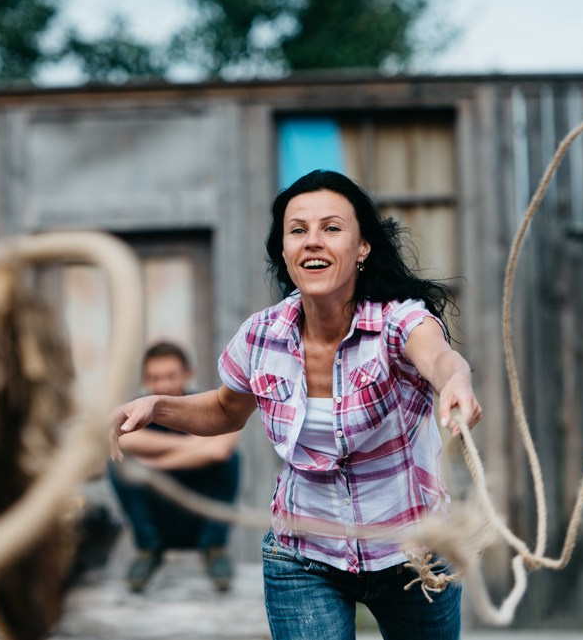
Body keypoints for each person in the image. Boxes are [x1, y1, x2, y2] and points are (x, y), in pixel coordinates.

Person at [111, 170, 482, 640]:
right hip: (303, 556)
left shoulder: (397, 320)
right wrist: (155, 406)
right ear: (284, 251)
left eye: (331, 228)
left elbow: (439, 357)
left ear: (362, 247)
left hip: (413, 554)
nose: (312, 241)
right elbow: (226, 410)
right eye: (298, 230)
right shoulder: (262, 335)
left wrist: (457, 381)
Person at [110, 341, 242, 593]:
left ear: (187, 374)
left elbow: (220, 449)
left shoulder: (209, 407)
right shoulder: (137, 408)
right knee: (119, 464)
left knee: (230, 461)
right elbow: (122, 440)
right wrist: (193, 446)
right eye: (154, 378)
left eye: (170, 376)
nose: (162, 386)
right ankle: (149, 548)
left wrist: (155, 462)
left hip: (201, 510)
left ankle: (213, 548)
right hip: (157, 511)